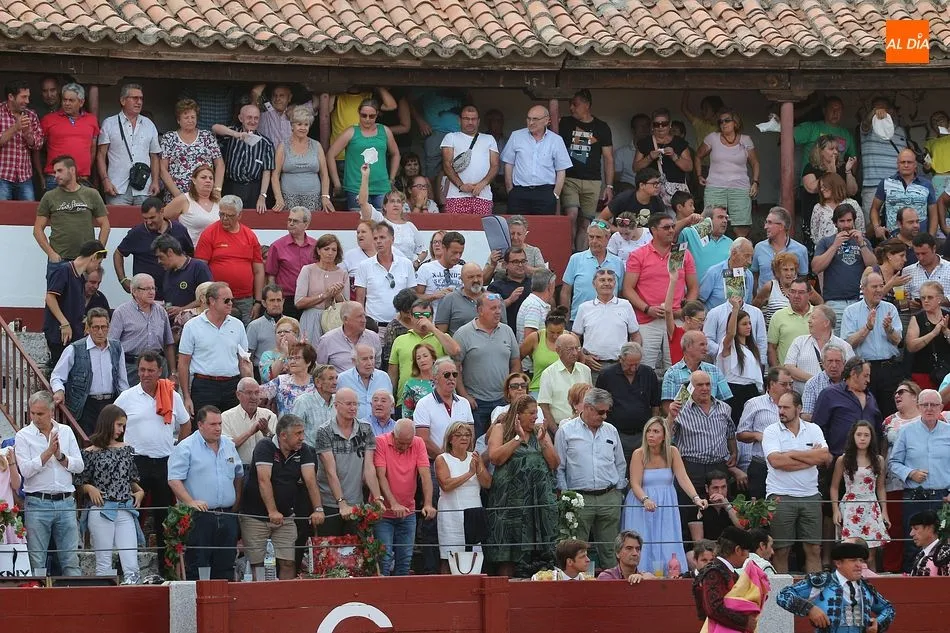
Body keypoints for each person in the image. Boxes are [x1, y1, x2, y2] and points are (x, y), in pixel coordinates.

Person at [113, 352, 189, 574]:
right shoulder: (126, 397)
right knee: (131, 515)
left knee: (165, 518)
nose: (145, 374)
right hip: (136, 461)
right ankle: (125, 569)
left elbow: (185, 424)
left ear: (160, 372)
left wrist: (178, 450)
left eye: (150, 370)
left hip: (165, 461)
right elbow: (110, 424)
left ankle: (167, 571)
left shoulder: (171, 395)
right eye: (142, 370)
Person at [240, 413, 324, 580]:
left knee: (288, 562)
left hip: (286, 516)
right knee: (258, 565)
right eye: (298, 433)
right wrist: (272, 511)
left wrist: (318, 509)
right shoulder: (265, 446)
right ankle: (261, 596)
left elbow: (310, 481)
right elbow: (264, 480)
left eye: (302, 432)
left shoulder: (304, 450)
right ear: (283, 435)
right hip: (255, 516)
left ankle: (286, 595)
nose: (302, 437)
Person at [167, 405, 243, 581]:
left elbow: (239, 474)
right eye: (213, 424)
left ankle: (223, 598)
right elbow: (174, 479)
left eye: (220, 424)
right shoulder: (186, 447)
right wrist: (190, 502)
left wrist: (237, 501)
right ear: (200, 425)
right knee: (198, 565)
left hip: (227, 515)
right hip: (200, 516)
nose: (218, 428)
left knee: (226, 565)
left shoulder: (228, 444)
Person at [486, 395, 559, 578]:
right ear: (518, 414)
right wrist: (517, 438)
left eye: (536, 413)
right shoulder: (501, 429)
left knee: (540, 554)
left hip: (537, 498)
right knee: (509, 554)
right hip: (509, 501)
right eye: (531, 413)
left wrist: (543, 442)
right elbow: (495, 458)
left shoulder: (539, 431)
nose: (536, 416)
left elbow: (554, 463)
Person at [555, 388, 627, 569]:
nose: (604, 416)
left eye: (607, 412)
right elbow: (559, 466)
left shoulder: (611, 430)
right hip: (579, 499)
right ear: (587, 407)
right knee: (577, 550)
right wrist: (566, 495)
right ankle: (580, 583)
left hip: (609, 497)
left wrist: (617, 491)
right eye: (600, 412)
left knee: (610, 549)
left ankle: (612, 581)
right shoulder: (566, 431)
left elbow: (620, 463)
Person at [15, 391, 84, 576]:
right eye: (32, 413)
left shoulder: (66, 431)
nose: (35, 417)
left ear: (51, 412)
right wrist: (47, 453)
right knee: (37, 560)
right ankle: (36, 593)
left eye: (40, 413)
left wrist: (60, 456)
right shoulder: (23, 436)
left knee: (70, 560)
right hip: (37, 502)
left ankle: (75, 593)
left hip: (66, 502)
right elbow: (25, 471)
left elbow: (79, 466)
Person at [763, 391, 832, 573]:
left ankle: (816, 589)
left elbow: (824, 457)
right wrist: (810, 458)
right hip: (780, 496)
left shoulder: (814, 429)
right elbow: (776, 462)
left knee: (814, 549)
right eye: (779, 407)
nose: (781, 411)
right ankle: (781, 590)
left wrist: (792, 454)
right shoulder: (771, 431)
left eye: (786, 407)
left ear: (799, 408)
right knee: (781, 550)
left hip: (811, 496)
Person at [623, 213, 699, 375]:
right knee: (643, 368)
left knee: (678, 366)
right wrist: (647, 308)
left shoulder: (683, 254)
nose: (671, 230)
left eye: (672, 226)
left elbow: (693, 287)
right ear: (653, 230)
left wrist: (685, 312)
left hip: (677, 319)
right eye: (666, 227)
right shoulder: (638, 255)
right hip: (647, 320)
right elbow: (628, 289)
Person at [78, 404, 144, 582]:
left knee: (131, 563)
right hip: (101, 509)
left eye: (123, 426)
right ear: (107, 423)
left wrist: (140, 492)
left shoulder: (127, 449)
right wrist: (89, 488)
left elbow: (131, 480)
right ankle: (105, 595)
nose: (121, 430)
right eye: (119, 425)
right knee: (103, 563)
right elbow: (79, 482)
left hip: (125, 508)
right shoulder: (89, 452)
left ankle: (133, 592)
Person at [887, 388, 950, 571]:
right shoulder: (906, 432)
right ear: (919, 406)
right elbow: (894, 462)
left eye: (934, 405)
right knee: (913, 543)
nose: (929, 408)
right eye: (925, 405)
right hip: (915, 496)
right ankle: (911, 580)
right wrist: (910, 473)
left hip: (943, 498)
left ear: (941, 407)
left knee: (944, 542)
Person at [777, 541, 895, 633]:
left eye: (861, 560)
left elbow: (888, 608)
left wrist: (878, 624)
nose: (859, 565)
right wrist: (810, 609)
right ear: (838, 563)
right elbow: (784, 595)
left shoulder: (865, 587)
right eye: (853, 560)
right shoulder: (822, 582)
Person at [313, 387, 383, 536]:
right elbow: (330, 471)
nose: (353, 408)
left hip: (357, 502)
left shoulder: (366, 429)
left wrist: (377, 498)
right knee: (330, 548)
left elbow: (369, 467)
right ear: (336, 405)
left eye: (356, 404)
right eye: (349, 404)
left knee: (357, 548)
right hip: (329, 502)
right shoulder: (324, 431)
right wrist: (341, 502)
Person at [50, 307, 129, 436]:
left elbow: (122, 380)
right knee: (87, 441)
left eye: (104, 327)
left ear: (108, 328)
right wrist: (59, 390)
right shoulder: (74, 349)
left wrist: (126, 401)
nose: (100, 332)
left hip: (111, 403)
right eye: (96, 327)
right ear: (88, 328)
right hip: (85, 405)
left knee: (109, 441)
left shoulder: (117, 347)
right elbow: (57, 376)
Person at [373, 419, 436, 576]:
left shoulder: (418, 443)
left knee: (405, 560)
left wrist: (428, 503)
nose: (405, 447)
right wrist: (393, 503)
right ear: (393, 435)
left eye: (408, 443)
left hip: (408, 511)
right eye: (401, 443)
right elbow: (380, 476)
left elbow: (425, 475)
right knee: (384, 558)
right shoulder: (381, 442)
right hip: (383, 513)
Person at [178, 281, 251, 416]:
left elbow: (244, 361)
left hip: (232, 386)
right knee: (204, 426)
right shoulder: (192, 326)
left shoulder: (238, 325)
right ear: (212, 301)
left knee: (232, 427)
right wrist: (186, 397)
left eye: (232, 300)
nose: (230, 303)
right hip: (204, 386)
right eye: (226, 300)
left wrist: (248, 391)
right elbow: (183, 363)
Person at [454, 292, 520, 438]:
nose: (498, 312)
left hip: (503, 401)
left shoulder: (507, 331)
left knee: (502, 441)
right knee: (476, 443)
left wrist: (512, 391)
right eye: (493, 308)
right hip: (476, 403)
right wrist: (464, 396)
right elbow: (455, 367)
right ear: (480, 310)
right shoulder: (463, 333)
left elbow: (515, 362)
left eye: (499, 307)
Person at [194, 195, 265, 325]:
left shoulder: (250, 236)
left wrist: (258, 301)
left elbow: (258, 271)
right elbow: (200, 268)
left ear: (239, 215)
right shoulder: (209, 233)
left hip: (245, 298)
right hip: (218, 298)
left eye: (230, 215)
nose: (225, 219)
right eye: (221, 214)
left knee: (245, 331)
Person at [559, 89, 615, 250]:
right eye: (570, 104)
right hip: (569, 178)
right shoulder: (564, 123)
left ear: (587, 105)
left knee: (586, 222)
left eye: (575, 104)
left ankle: (579, 255)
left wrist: (609, 186)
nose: (571, 108)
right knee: (571, 215)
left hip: (593, 181)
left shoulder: (602, 127)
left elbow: (608, 158)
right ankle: (568, 252)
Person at [830, 421, 890, 568]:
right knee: (850, 552)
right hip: (850, 508)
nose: (862, 438)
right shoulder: (843, 460)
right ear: (853, 436)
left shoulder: (879, 460)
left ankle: (871, 581)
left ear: (871, 438)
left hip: (871, 506)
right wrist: (835, 510)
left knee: (870, 555)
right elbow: (834, 487)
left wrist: (884, 511)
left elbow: (881, 487)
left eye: (866, 435)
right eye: (859, 435)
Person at [842, 272, 903, 417]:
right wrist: (867, 328)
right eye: (874, 286)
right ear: (863, 288)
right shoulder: (851, 311)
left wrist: (889, 329)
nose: (879, 290)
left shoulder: (890, 308)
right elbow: (848, 343)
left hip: (889, 368)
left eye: (881, 286)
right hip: (863, 370)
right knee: (866, 414)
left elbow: (898, 340)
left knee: (890, 413)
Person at [694, 109, 758, 237]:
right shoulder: (712, 138)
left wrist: (755, 182)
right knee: (711, 223)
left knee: (741, 226)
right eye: (721, 121)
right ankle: (712, 248)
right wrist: (699, 175)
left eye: (727, 120)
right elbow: (698, 156)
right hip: (715, 186)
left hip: (740, 187)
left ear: (735, 123)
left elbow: (755, 163)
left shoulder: (745, 140)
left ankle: (739, 248)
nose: (723, 123)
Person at [43, 240, 107, 368]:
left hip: (74, 336)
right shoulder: (63, 270)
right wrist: (64, 323)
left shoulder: (80, 278)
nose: (97, 267)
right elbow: (50, 297)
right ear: (94, 257)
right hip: (60, 336)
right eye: (99, 262)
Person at [327, 98, 400, 211]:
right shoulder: (351, 132)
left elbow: (395, 154)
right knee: (360, 220)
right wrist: (337, 183)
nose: (367, 119)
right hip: (356, 187)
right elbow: (330, 154)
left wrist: (392, 178)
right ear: (359, 113)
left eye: (372, 116)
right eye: (364, 115)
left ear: (377, 115)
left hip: (381, 187)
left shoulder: (384, 131)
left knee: (382, 220)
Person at [812, 204, 877, 330]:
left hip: (860, 300)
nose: (846, 225)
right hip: (835, 302)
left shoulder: (863, 241)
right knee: (836, 340)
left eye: (849, 220)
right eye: (842, 221)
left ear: (854, 221)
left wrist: (862, 244)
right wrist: (835, 245)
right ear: (835, 223)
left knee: (861, 337)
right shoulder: (826, 242)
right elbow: (816, 268)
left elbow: (873, 266)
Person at [33, 155, 110, 262]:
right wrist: (51, 253)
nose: (56, 175)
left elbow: (105, 225)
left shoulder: (92, 194)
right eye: (55, 172)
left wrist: (98, 252)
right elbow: (37, 229)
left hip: (86, 259)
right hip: (59, 259)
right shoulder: (49, 196)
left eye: (60, 171)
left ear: (72, 170)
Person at [116, 198, 194, 302]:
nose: (149, 222)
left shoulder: (179, 230)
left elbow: (189, 256)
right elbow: (118, 253)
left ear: (162, 212)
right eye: (145, 218)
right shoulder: (137, 233)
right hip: (146, 295)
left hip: (176, 291)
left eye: (152, 217)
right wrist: (123, 280)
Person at [595, 341, 660, 463]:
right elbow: (599, 404)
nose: (633, 369)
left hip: (642, 434)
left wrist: (652, 428)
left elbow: (655, 404)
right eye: (630, 365)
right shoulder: (607, 375)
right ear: (621, 359)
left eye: (637, 364)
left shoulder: (648, 373)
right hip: (616, 433)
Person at [501, 104, 572, 216]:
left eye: (535, 119)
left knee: (544, 226)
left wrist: (555, 195)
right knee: (515, 226)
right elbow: (508, 164)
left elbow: (561, 170)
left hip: (545, 193)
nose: (531, 122)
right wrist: (510, 190)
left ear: (546, 121)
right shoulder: (516, 136)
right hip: (519, 192)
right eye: (528, 119)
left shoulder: (556, 140)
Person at [97, 83, 161, 205]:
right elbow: (101, 155)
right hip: (117, 187)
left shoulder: (149, 124)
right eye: (135, 98)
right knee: (118, 218)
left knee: (145, 217)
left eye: (141, 98)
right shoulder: (109, 123)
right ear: (123, 101)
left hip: (144, 187)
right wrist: (105, 181)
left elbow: (154, 156)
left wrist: (155, 181)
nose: (139, 102)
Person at [572, 268, 641, 382]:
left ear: (615, 283)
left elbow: (636, 335)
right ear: (594, 284)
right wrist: (582, 356)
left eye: (610, 280)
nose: (606, 283)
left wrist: (631, 357)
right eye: (602, 280)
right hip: (593, 367)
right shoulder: (584, 308)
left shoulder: (625, 305)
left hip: (620, 366)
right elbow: (574, 337)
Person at [388, 299, 459, 409]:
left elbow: (455, 351)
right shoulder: (400, 340)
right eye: (417, 315)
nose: (422, 319)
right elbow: (393, 373)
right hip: (406, 401)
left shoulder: (441, 337)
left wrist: (432, 328)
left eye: (426, 315)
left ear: (432, 317)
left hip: (439, 399)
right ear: (411, 317)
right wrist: (391, 398)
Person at [737, 368, 793, 500]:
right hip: (762, 464)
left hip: (787, 464)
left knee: (783, 507)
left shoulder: (794, 405)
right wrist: (757, 436)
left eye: (791, 384)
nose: (789, 388)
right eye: (784, 384)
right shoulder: (754, 403)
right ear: (772, 384)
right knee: (759, 506)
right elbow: (740, 434)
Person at [110, 273, 177, 386]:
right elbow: (112, 345)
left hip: (158, 366)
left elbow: (168, 344)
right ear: (134, 291)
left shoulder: (161, 312)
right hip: (131, 367)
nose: (152, 292)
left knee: (159, 397)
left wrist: (173, 372)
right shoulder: (121, 312)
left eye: (153, 288)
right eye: (146, 289)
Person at [691, 527, 760, 633]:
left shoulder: (725, 571)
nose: (748, 556)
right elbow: (714, 608)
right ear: (738, 550)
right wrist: (744, 621)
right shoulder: (714, 572)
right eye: (747, 551)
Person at [211, 103, 275, 212]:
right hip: (231, 186)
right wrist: (236, 134)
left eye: (256, 118)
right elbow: (215, 128)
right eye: (249, 117)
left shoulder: (266, 143)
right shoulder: (231, 134)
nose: (253, 121)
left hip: (254, 189)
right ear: (241, 118)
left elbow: (267, 171)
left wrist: (262, 196)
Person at [159, 99, 224, 203]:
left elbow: (220, 164)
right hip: (176, 197)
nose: (190, 120)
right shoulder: (169, 138)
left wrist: (217, 190)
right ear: (178, 120)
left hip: (204, 196)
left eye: (193, 117)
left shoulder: (207, 136)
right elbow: (163, 169)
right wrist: (179, 196)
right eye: (186, 117)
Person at [354, 221, 416, 329]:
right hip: (375, 326)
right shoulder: (364, 266)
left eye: (382, 237)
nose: (378, 241)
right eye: (375, 238)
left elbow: (412, 298)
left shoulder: (406, 264)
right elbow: (360, 300)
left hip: (403, 325)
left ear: (392, 239)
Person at [560, 220, 625, 321]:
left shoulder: (617, 262)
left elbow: (620, 293)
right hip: (579, 319)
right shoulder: (576, 259)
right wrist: (565, 318)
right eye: (591, 237)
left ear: (608, 238)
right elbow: (565, 291)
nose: (594, 241)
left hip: (610, 319)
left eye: (598, 237)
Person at [440, 105, 499, 216]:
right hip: (456, 196)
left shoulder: (489, 139)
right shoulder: (450, 137)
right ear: (459, 120)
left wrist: (482, 184)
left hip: (483, 196)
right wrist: (461, 186)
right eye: (466, 119)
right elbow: (447, 165)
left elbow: (495, 166)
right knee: (455, 226)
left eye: (473, 119)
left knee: (481, 226)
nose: (470, 122)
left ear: (478, 121)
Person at [272, 107, 332, 213]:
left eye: (306, 124)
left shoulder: (316, 145)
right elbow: (275, 175)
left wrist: (325, 196)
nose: (303, 128)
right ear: (292, 126)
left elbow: (324, 175)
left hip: (313, 198)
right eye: (299, 124)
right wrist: (278, 198)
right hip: (288, 198)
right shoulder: (283, 146)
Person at [716, 297, 764, 427]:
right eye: (744, 324)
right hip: (735, 391)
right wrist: (735, 309)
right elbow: (731, 333)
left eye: (749, 323)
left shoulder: (752, 348)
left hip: (752, 391)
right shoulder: (728, 345)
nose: (748, 327)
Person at [870, 148, 938, 238]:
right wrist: (876, 227)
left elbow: (934, 215)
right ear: (897, 164)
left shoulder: (927, 185)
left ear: (915, 165)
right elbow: (874, 209)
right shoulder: (885, 183)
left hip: (920, 240)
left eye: (909, 162)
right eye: (902, 162)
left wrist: (931, 238)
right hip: (893, 240)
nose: (906, 165)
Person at [40, 83, 99, 188]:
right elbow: (37, 149)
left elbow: (93, 149)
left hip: (81, 179)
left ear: (81, 102)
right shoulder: (48, 119)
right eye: (64, 100)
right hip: (55, 178)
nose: (67, 103)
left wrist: (84, 170)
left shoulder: (92, 120)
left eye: (71, 100)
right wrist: (40, 175)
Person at [784, 305, 854, 393]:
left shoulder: (845, 346)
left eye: (813, 318)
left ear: (826, 323)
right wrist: (816, 381)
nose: (809, 321)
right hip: (801, 398)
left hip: (835, 398)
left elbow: (852, 373)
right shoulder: (799, 342)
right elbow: (789, 368)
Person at [634, 108, 692, 213]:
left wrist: (674, 156)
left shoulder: (679, 142)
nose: (660, 127)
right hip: (652, 192)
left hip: (675, 194)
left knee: (676, 220)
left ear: (670, 125)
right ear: (652, 126)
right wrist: (649, 158)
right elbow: (635, 167)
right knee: (654, 219)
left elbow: (689, 167)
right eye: (657, 124)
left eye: (664, 124)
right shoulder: (644, 143)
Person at [295, 233, 348, 342]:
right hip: (311, 318)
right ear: (318, 251)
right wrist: (324, 296)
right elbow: (299, 302)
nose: (330, 253)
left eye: (334, 250)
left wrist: (337, 295)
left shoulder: (342, 273)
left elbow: (347, 305)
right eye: (326, 249)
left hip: (334, 321)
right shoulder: (307, 270)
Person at [264, 206, 315, 319]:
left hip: (310, 299)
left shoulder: (316, 246)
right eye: (289, 220)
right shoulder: (277, 246)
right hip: (287, 300)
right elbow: (271, 276)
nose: (291, 223)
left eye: (295, 221)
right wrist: (274, 300)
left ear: (306, 224)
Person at [538, 332, 592, 433]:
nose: (575, 353)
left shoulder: (585, 370)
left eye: (577, 348)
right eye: (570, 349)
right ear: (558, 350)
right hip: (559, 427)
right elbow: (544, 407)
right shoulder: (548, 374)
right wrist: (557, 433)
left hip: (585, 427)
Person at [661, 331, 733, 407]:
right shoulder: (672, 373)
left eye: (706, 345)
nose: (706, 349)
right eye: (702, 345)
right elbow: (667, 406)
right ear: (688, 346)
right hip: (682, 414)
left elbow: (726, 401)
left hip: (712, 414)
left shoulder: (715, 371)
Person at [221, 377, 278, 471]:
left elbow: (278, 447)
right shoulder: (226, 417)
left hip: (265, 468)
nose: (254, 397)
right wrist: (250, 432)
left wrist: (266, 432)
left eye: (257, 393)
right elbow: (225, 447)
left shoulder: (269, 415)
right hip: (238, 469)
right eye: (249, 393)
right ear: (238, 395)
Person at [0, 79, 43, 201]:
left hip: (24, 177)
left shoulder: (31, 115)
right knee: (2, 212)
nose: (27, 101)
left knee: (28, 212)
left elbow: (39, 144)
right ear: (11, 97)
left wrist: (28, 134)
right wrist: (16, 127)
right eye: (23, 97)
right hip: (2, 175)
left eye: (28, 97)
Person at [436, 263, 505, 335]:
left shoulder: (496, 299)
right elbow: (440, 333)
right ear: (461, 279)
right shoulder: (449, 299)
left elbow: (503, 329)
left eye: (479, 276)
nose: (476, 280)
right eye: (471, 277)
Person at [905, 280, 950, 390]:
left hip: (947, 374)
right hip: (922, 374)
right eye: (923, 298)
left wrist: (945, 331)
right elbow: (911, 346)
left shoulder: (948, 316)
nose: (925, 301)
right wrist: (933, 333)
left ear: (939, 299)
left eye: (930, 297)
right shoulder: (917, 318)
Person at [751, 207, 808, 292]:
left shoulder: (800, 250)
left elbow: (803, 278)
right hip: (764, 298)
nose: (765, 227)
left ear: (781, 226)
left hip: (789, 298)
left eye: (769, 223)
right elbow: (755, 275)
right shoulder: (759, 248)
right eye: (766, 222)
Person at [316, 301, 383, 374]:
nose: (364, 320)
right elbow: (320, 371)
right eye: (359, 316)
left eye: (364, 316)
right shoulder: (327, 340)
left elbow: (377, 365)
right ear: (345, 319)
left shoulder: (373, 337)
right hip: (339, 381)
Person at [162, 163, 221, 246]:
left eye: (211, 178)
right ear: (194, 180)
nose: (208, 180)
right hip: (191, 249)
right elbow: (161, 217)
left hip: (215, 249)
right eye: (203, 177)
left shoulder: (219, 202)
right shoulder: (184, 200)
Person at [484, 215, 548, 283]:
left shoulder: (534, 251)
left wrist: (526, 268)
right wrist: (492, 265)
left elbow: (545, 275)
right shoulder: (499, 252)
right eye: (512, 233)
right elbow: (484, 281)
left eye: (519, 234)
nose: (515, 237)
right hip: (501, 288)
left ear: (525, 234)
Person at [259, 342, 317, 416]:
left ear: (308, 362)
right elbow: (256, 393)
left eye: (297, 358)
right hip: (285, 423)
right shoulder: (281, 381)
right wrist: (250, 373)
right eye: (290, 358)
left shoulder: (317, 383)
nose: (292, 362)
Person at [767, 276, 815, 366]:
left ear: (810, 294)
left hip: (813, 372)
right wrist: (777, 371)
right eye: (793, 292)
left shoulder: (818, 315)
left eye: (801, 292)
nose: (796, 296)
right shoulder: (778, 316)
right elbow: (771, 348)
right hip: (787, 373)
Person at [337, 343, 393, 420]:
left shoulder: (384, 377)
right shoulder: (342, 379)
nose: (369, 363)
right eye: (364, 359)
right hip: (353, 425)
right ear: (354, 361)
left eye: (371, 358)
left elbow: (390, 407)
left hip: (380, 425)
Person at [520, 307, 566, 397]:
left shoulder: (571, 338)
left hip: (564, 389)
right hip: (538, 388)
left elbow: (580, 361)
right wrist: (522, 379)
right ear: (545, 327)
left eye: (559, 333)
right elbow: (517, 358)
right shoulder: (535, 338)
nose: (555, 336)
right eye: (551, 332)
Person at [415, 231, 465, 313]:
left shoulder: (463, 269)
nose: (457, 257)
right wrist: (434, 296)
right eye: (454, 252)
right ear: (444, 248)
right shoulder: (426, 268)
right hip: (434, 317)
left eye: (460, 253)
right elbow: (415, 297)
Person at [699, 237, 754, 310]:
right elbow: (700, 301)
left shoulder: (749, 275)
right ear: (734, 254)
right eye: (746, 256)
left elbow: (748, 304)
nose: (749, 262)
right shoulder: (714, 272)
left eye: (751, 257)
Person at [488, 247, 533, 327]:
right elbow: (489, 310)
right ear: (505, 265)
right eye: (515, 262)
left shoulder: (534, 283)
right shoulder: (495, 287)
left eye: (523, 261)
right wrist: (509, 300)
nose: (520, 265)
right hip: (507, 330)